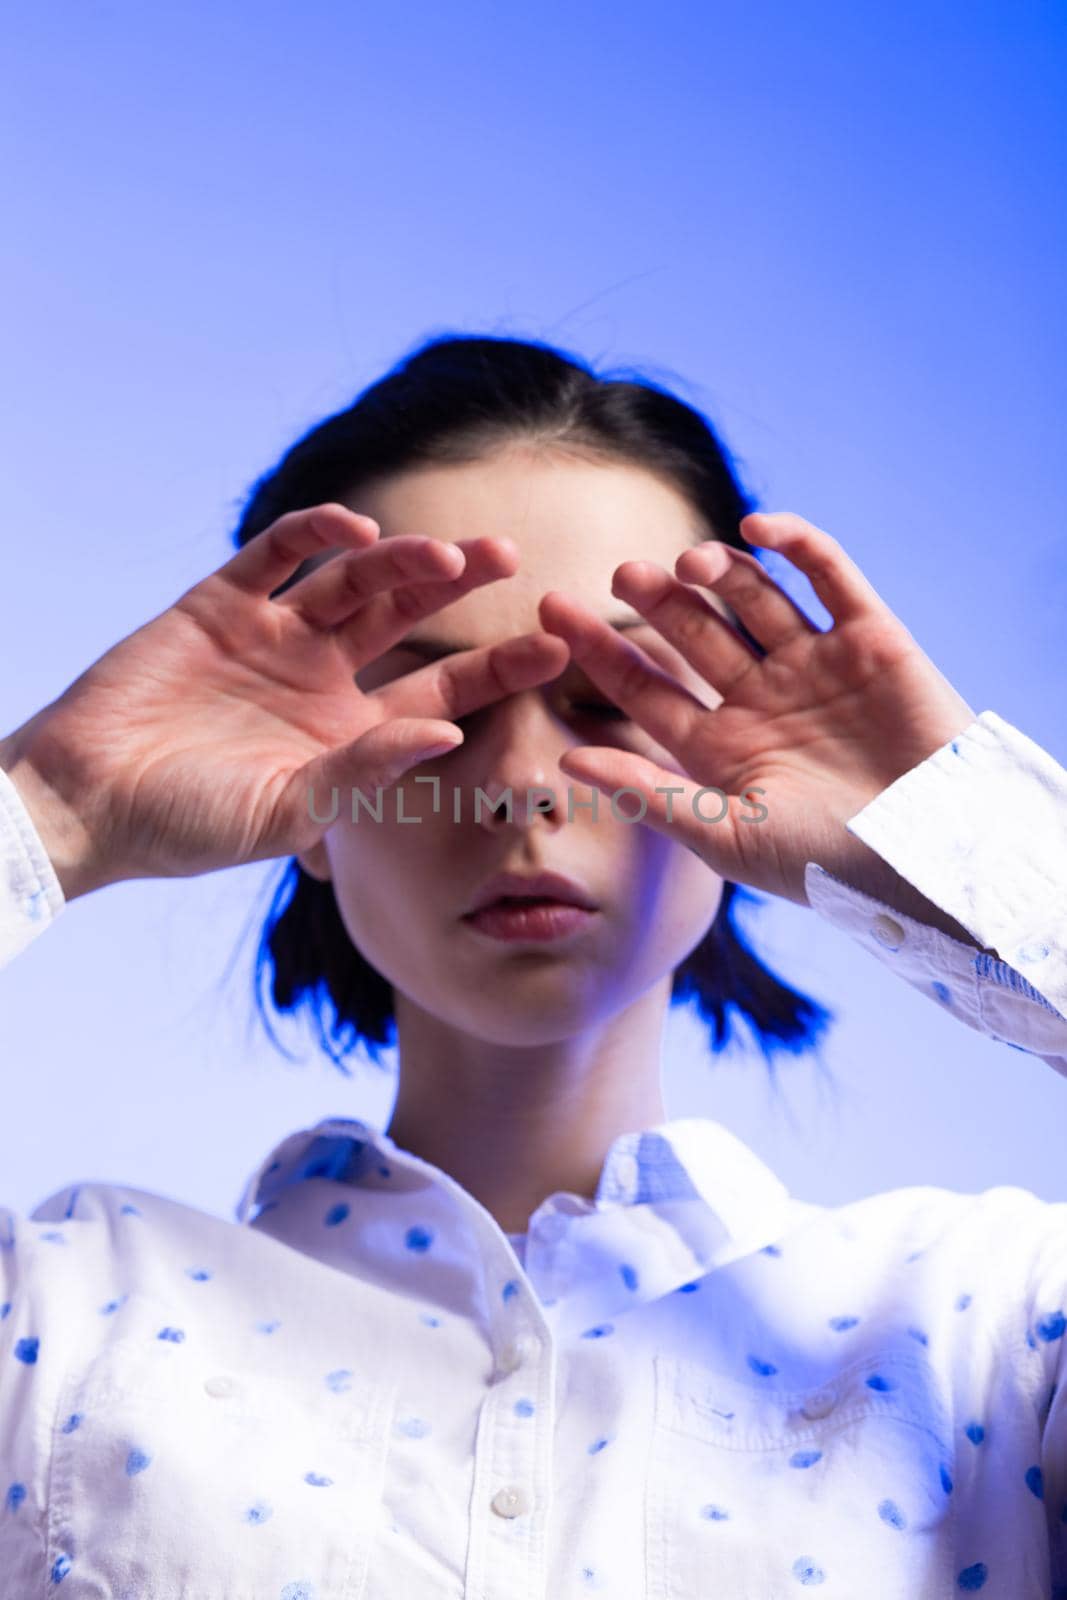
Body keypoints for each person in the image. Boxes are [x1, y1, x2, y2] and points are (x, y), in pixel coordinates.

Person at [0, 332, 1064, 1598]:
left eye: (613, 696)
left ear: (738, 767)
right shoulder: (57, 1316)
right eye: (432, 704)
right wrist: (55, 810)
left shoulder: (993, 1320)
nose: (518, 787)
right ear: (305, 806)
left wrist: (962, 853)